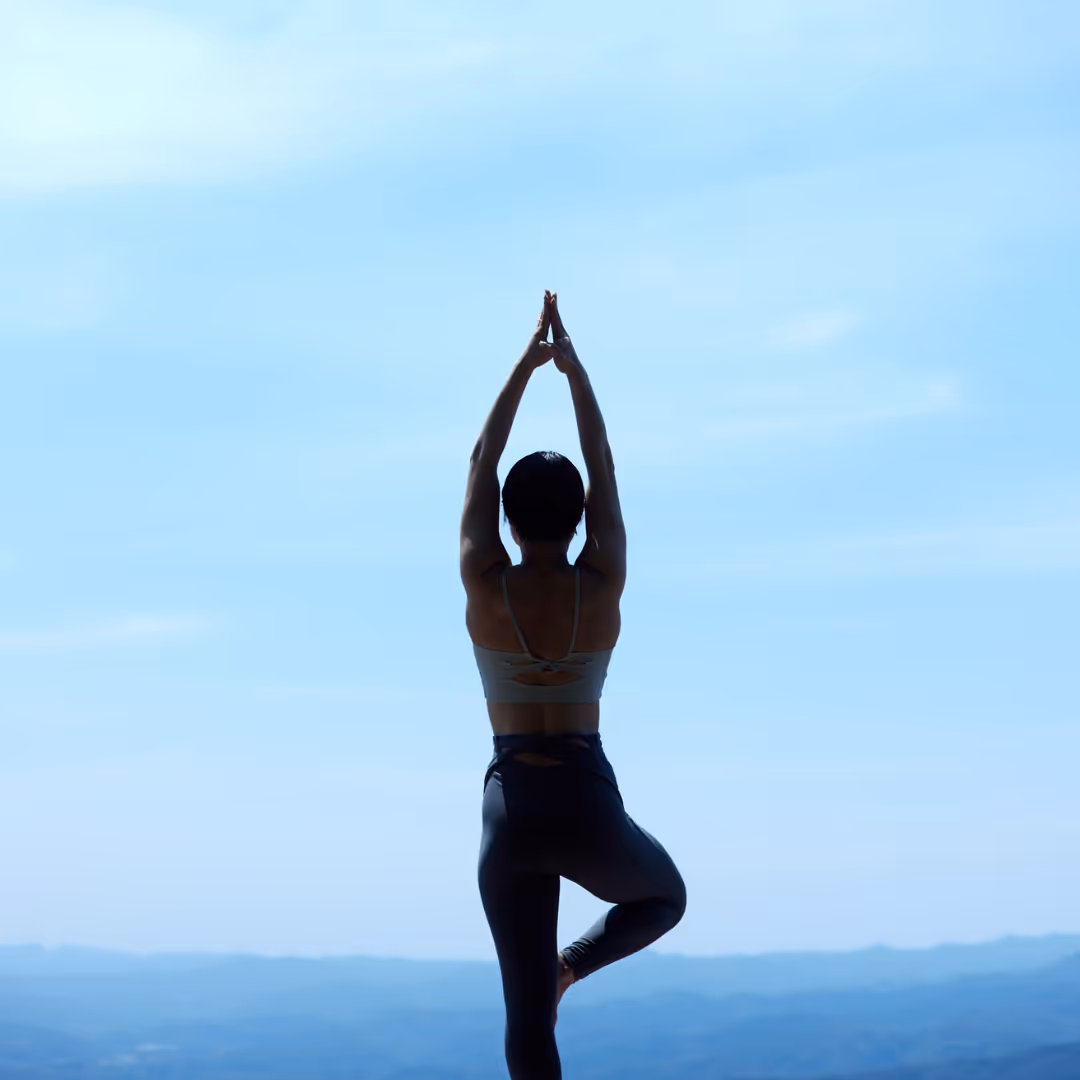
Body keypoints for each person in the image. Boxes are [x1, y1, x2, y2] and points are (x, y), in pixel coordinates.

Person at [460, 291, 686, 1078]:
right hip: (585, 800)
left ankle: (546, 981)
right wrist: (575, 372)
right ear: (581, 513)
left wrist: (526, 365)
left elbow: (483, 461)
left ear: (510, 523)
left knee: (526, 1025)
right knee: (664, 899)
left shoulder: (486, 584)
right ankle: (571, 966)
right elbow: (606, 465)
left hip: (510, 807)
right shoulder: (603, 578)